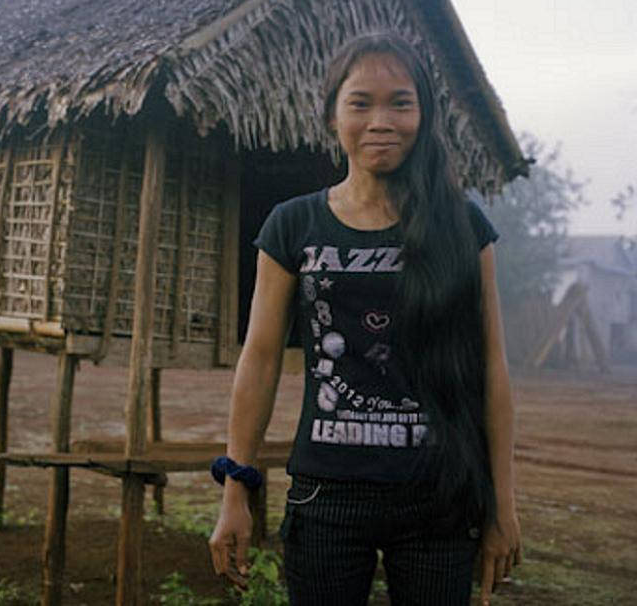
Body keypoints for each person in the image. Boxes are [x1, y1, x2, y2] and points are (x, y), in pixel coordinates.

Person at [209, 32, 521, 605]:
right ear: (333, 116)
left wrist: (502, 505)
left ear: (423, 116)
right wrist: (237, 487)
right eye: (361, 103)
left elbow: (492, 370)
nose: (382, 120)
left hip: (439, 496)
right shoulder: (292, 225)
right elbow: (259, 358)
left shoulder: (464, 227)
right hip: (325, 497)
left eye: (401, 103)